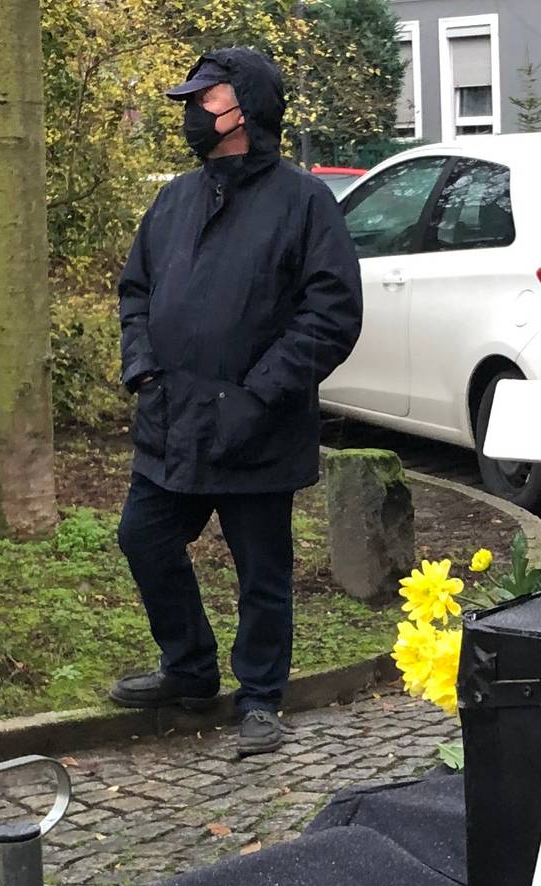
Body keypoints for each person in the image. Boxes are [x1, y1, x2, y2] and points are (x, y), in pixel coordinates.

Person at [112, 48, 362, 760]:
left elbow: (331, 314)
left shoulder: (304, 202)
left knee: (262, 573)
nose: (192, 112)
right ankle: (189, 669)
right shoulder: (174, 200)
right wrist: (143, 371)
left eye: (205, 98)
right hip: (172, 418)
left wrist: (259, 394)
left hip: (258, 426)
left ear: (245, 109)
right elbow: (135, 292)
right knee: (144, 538)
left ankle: (259, 699)